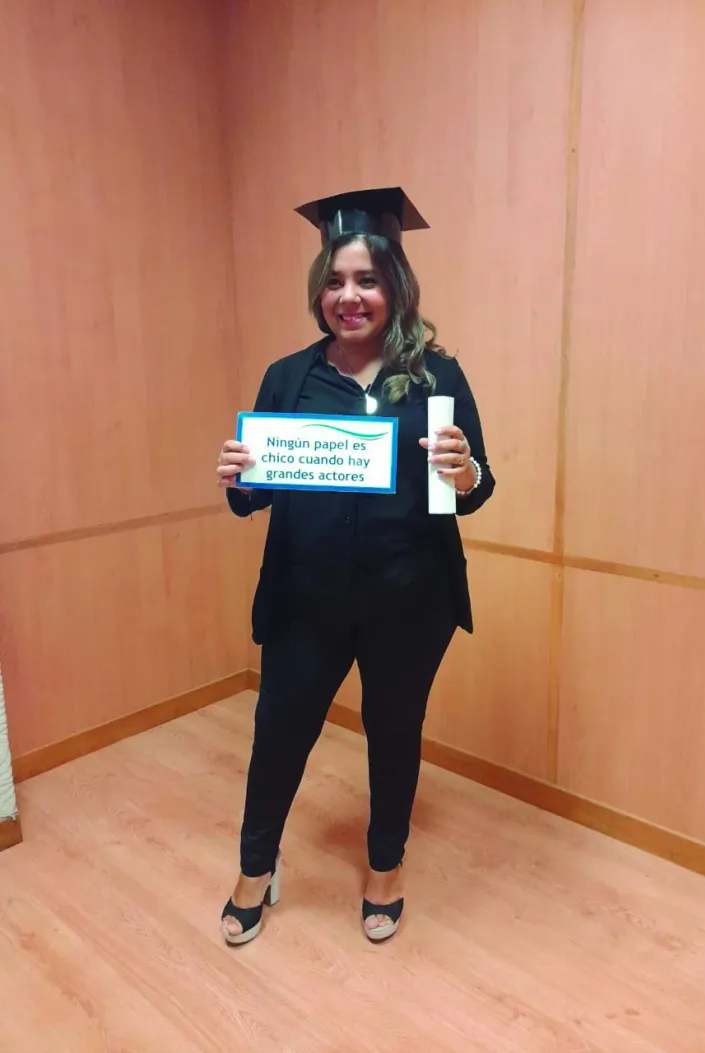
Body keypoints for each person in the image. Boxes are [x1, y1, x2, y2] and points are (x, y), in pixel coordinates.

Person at [215, 187, 495, 945]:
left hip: (410, 602)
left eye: (367, 280)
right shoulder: (289, 378)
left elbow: (473, 490)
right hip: (305, 600)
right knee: (279, 733)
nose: (350, 296)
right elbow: (254, 493)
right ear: (320, 290)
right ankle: (255, 868)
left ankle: (385, 867)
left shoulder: (437, 378)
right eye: (335, 280)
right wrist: (238, 478)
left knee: (394, 732)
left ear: (394, 287)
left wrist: (466, 471)